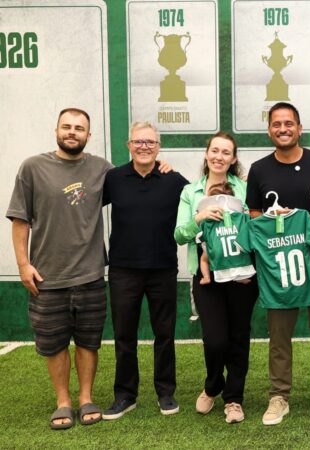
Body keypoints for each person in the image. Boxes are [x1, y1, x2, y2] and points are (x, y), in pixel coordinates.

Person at [7, 108, 112, 429]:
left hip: (91, 275)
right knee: (53, 345)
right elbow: (20, 220)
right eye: (66, 126)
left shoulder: (102, 169)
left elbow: (136, 180)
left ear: (88, 136)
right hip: (47, 277)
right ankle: (63, 401)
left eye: (79, 128)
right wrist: (23, 264)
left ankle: (85, 398)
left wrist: (160, 164)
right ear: (56, 130)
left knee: (88, 342)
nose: (72, 132)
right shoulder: (33, 168)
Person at [246, 102, 310, 425]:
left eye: (289, 123)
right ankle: (279, 396)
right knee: (279, 334)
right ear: (269, 130)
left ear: (300, 128)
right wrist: (274, 219)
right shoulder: (259, 169)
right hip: (278, 266)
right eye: (276, 124)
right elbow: (253, 216)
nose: (283, 128)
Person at [101, 122, 189, 420]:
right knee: (124, 335)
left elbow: (198, 201)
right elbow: (84, 209)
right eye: (138, 142)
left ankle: (166, 393)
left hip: (163, 268)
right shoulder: (113, 178)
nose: (144, 147)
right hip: (123, 270)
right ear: (129, 145)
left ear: (158, 146)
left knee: (164, 335)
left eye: (150, 142)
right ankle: (125, 396)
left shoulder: (173, 179)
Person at [174, 132, 258, 424]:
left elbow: (255, 227)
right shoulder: (190, 191)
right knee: (215, 339)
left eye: (226, 152)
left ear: (234, 159)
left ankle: (234, 399)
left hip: (241, 275)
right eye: (215, 151)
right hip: (206, 274)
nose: (219, 157)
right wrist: (199, 217)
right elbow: (179, 234)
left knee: (238, 338)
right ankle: (212, 385)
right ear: (206, 154)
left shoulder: (245, 189)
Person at [197, 182, 255, 286]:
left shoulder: (208, 221)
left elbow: (199, 238)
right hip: (239, 255)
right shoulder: (241, 217)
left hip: (219, 255)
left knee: (204, 258)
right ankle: (240, 278)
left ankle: (206, 277)